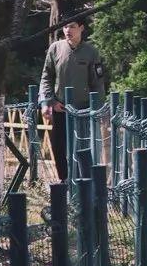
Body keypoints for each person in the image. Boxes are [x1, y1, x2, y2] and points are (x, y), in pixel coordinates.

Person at [38, 13, 108, 182]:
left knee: (82, 148)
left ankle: (83, 184)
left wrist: (98, 108)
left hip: (83, 110)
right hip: (60, 107)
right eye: (65, 27)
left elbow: (97, 83)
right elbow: (46, 76)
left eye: (72, 26)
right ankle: (64, 182)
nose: (68, 30)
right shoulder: (55, 48)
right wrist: (48, 102)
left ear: (81, 28)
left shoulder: (91, 52)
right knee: (58, 147)